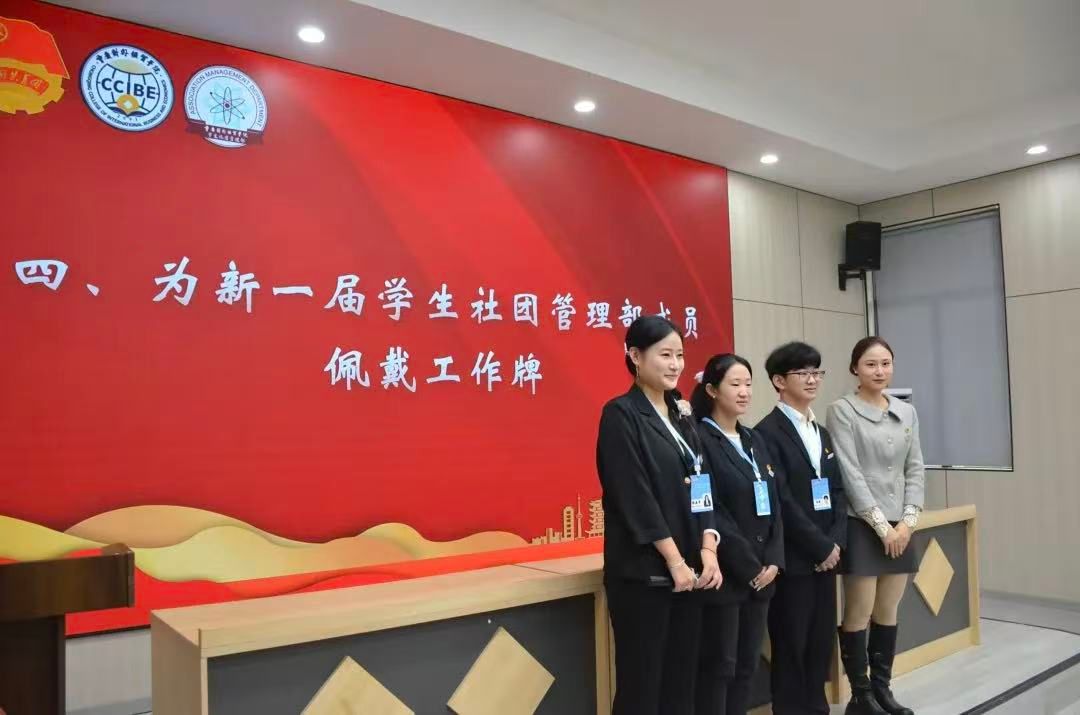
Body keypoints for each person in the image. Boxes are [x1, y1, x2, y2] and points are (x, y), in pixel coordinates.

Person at [597, 315, 723, 715]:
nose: (675, 365)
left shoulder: (682, 415)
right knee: (643, 686)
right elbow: (635, 497)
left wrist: (708, 549)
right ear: (635, 356)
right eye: (665, 355)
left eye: (680, 355)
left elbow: (702, 482)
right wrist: (674, 560)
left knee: (681, 684)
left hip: (691, 572)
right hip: (646, 575)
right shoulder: (621, 414)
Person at [826, 337, 924, 715]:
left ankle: (882, 690)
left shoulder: (906, 412)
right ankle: (861, 695)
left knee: (888, 610)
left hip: (902, 525)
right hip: (862, 524)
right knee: (859, 611)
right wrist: (884, 528)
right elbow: (850, 474)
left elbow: (915, 469)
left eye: (885, 363)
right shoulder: (842, 410)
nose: (879, 371)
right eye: (870, 364)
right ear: (855, 369)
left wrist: (908, 523)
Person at [756, 342, 848, 715]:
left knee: (820, 642)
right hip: (794, 558)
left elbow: (837, 490)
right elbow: (781, 500)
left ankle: (817, 708)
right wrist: (819, 546)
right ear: (779, 381)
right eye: (802, 373)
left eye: (816, 372)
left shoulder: (821, 431)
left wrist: (835, 543)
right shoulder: (765, 433)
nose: (812, 379)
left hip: (827, 558)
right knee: (791, 643)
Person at [691, 353, 784, 715]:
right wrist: (749, 566)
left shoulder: (754, 438)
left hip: (763, 574)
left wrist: (774, 558)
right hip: (728, 574)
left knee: (747, 666)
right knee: (720, 667)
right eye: (735, 384)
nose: (745, 392)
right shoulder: (699, 439)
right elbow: (710, 509)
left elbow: (774, 502)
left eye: (748, 384)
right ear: (712, 390)